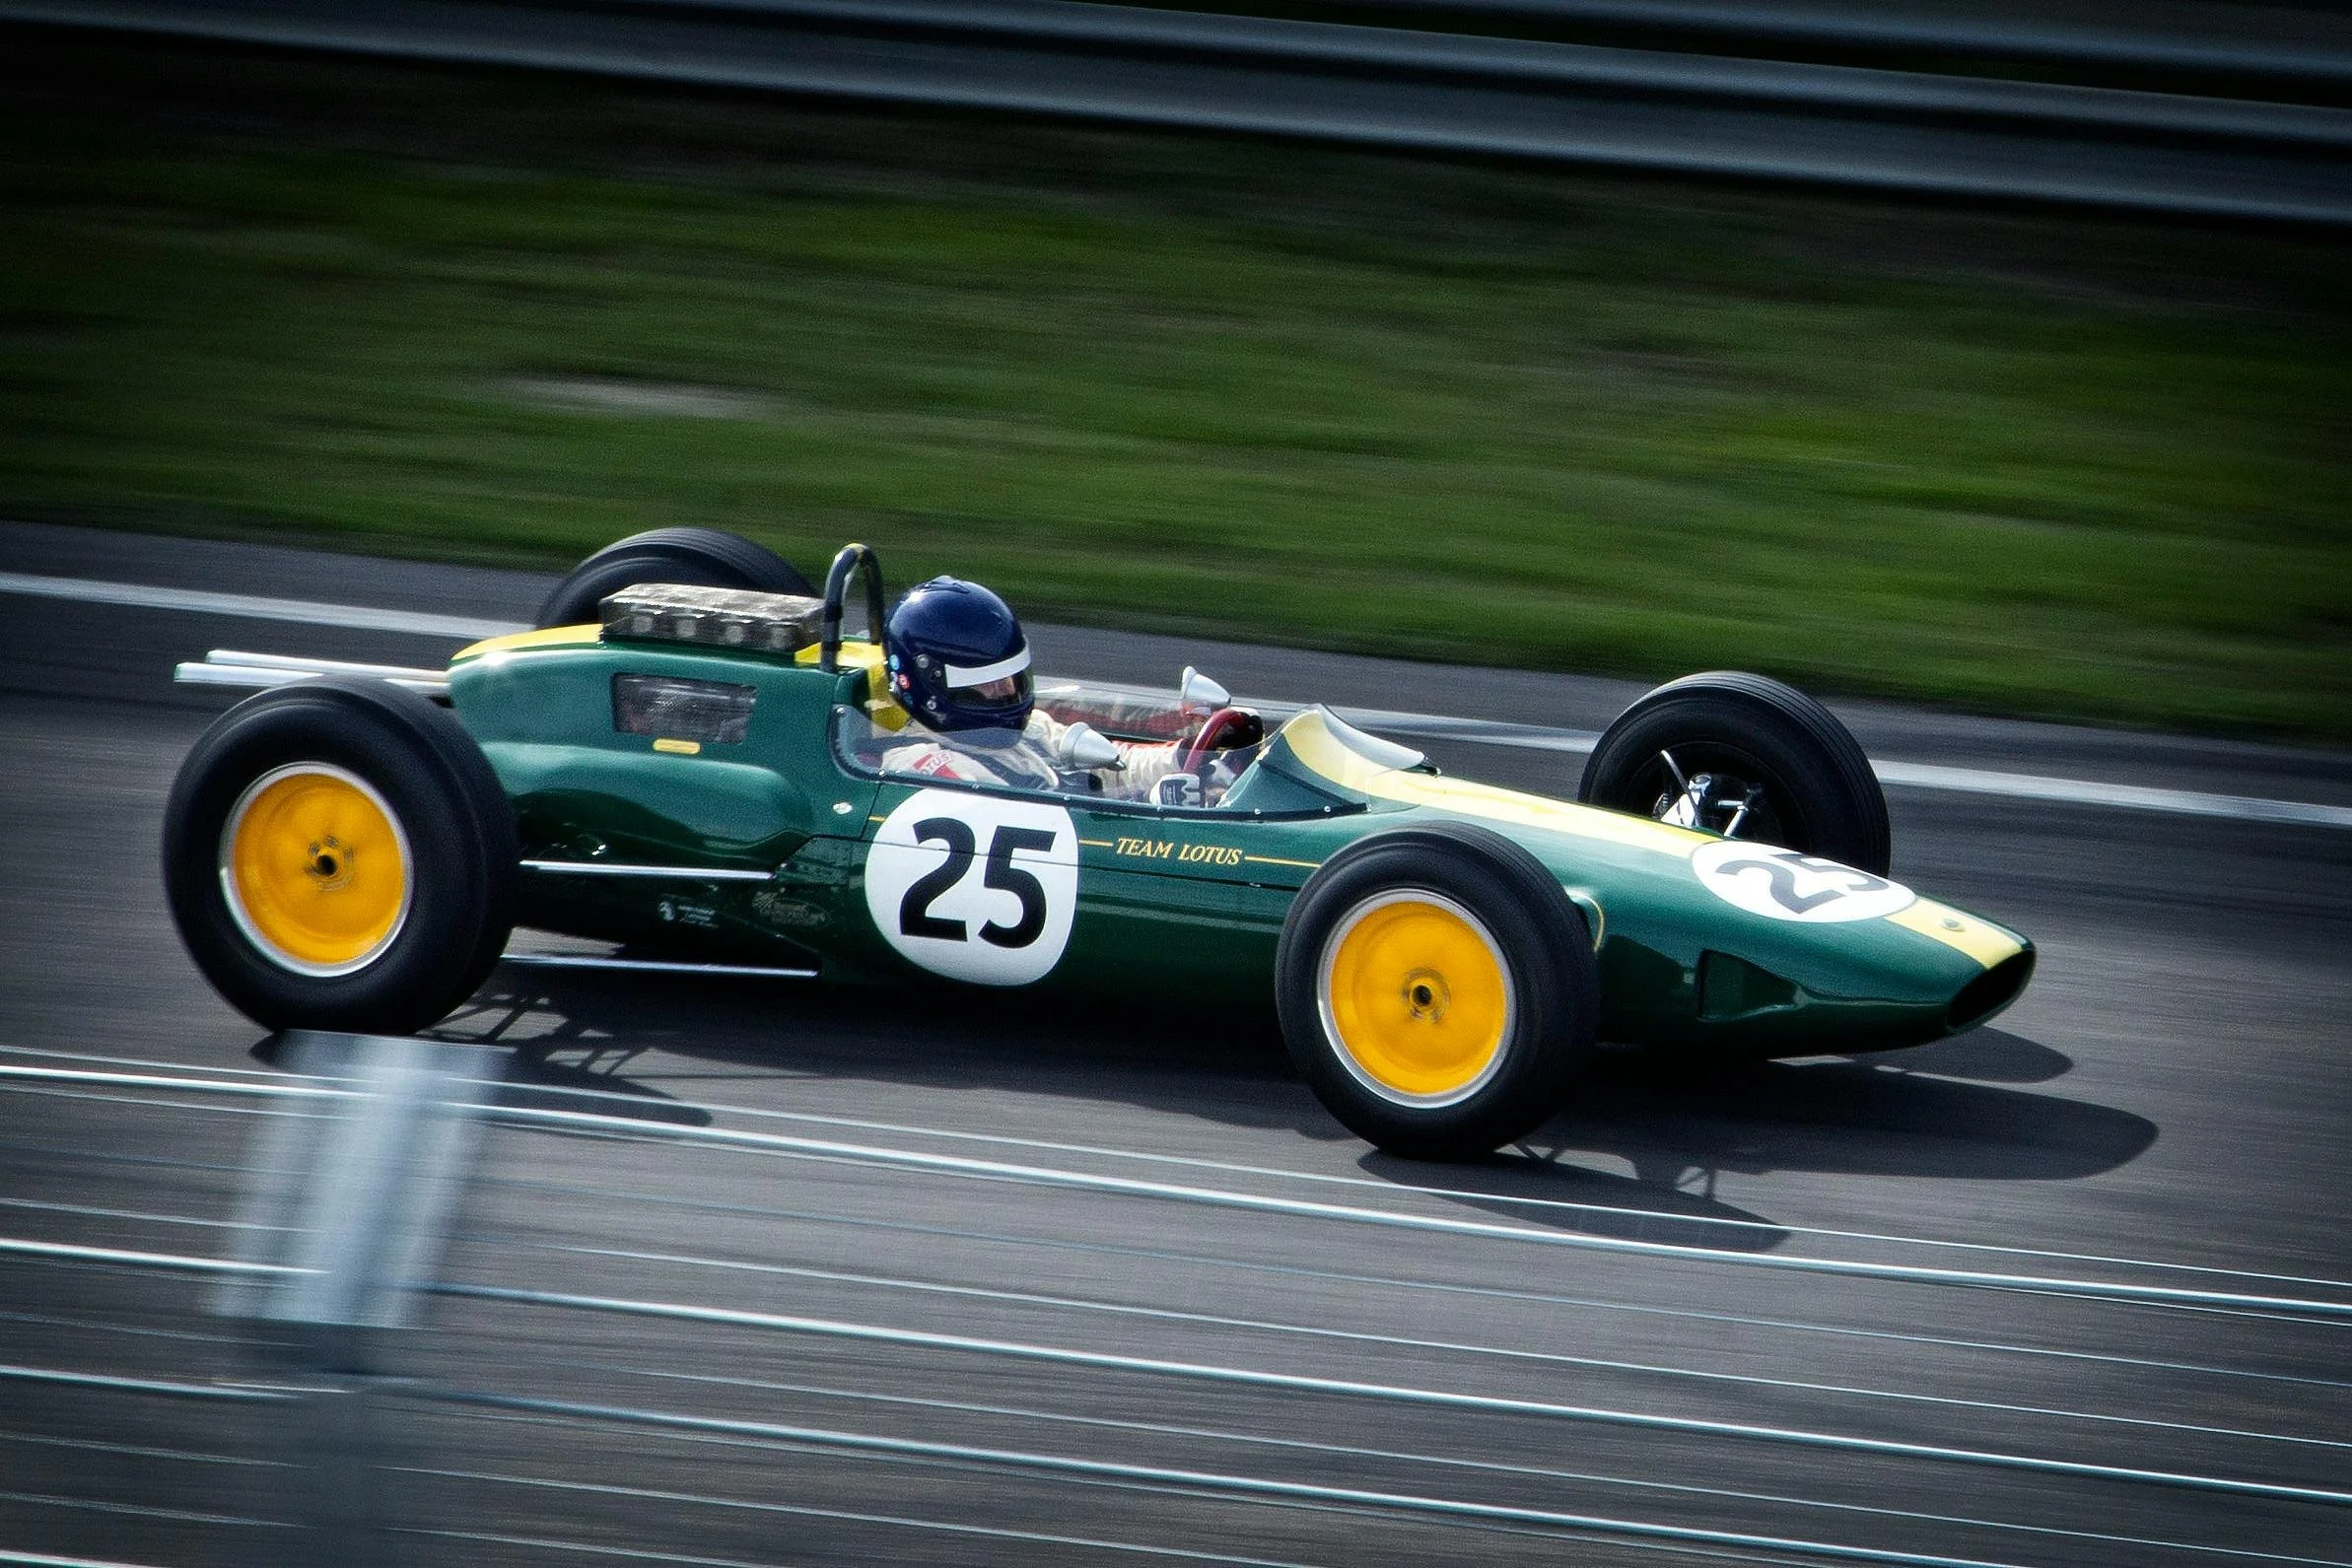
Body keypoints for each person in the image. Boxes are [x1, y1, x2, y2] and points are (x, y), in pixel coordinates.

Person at [875, 577, 1249, 798]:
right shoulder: (922, 764)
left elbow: (1110, 767)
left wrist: (1189, 759)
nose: (1006, 691)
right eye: (988, 684)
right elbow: (1031, 817)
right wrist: (1152, 801)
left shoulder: (1029, 730)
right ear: (929, 685)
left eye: (1012, 677)